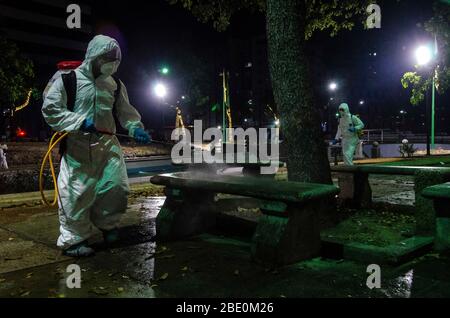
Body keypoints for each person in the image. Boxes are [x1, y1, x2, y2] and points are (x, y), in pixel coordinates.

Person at [42, 35, 150, 257]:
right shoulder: (66, 79)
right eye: (109, 59)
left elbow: (125, 112)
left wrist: (135, 128)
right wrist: (78, 122)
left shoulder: (115, 84)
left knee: (115, 188)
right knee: (76, 193)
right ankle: (74, 240)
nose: (113, 64)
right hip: (77, 147)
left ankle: (108, 225)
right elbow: (51, 109)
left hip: (107, 145)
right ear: (95, 56)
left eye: (116, 60)